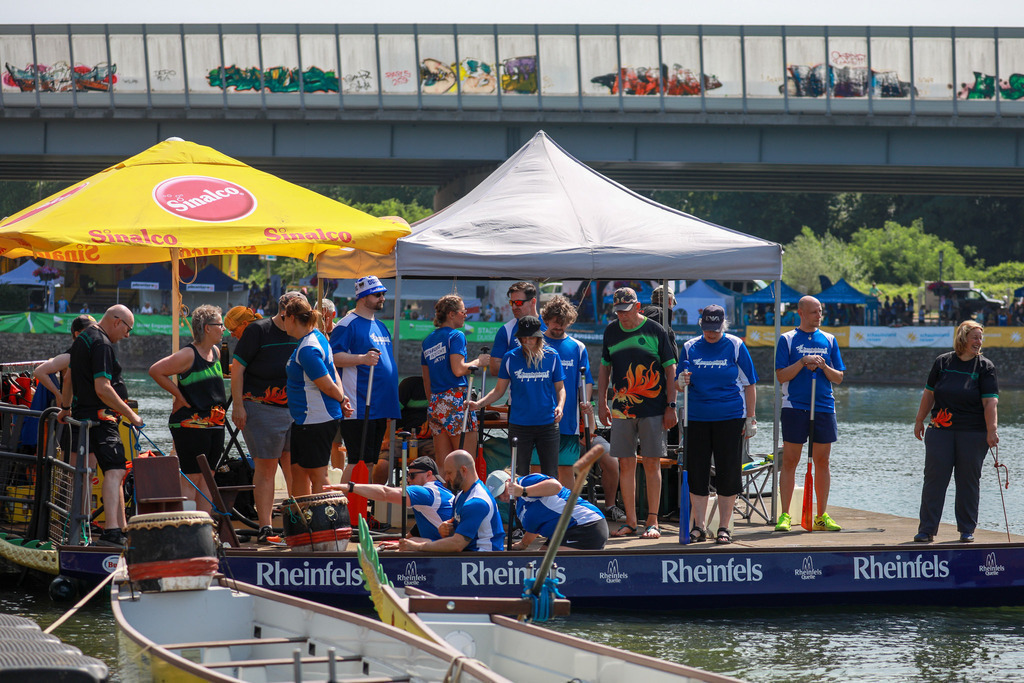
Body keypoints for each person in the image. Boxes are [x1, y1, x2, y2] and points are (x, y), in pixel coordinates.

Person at [597, 287, 678, 541]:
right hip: (622, 409)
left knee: (653, 463)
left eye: (626, 309)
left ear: (638, 306)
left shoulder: (656, 330)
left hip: (654, 409)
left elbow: (671, 370)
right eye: (618, 310)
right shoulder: (611, 331)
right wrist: (601, 402)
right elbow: (604, 369)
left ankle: (652, 521)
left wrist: (671, 406)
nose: (622, 315)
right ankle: (631, 522)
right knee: (626, 463)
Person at [58, 304, 143, 547]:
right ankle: (112, 531)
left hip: (84, 417)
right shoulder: (102, 343)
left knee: (109, 471)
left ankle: (118, 527)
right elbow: (103, 388)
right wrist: (131, 416)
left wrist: (65, 407)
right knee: (116, 470)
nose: (128, 335)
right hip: (101, 418)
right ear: (117, 322)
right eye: (128, 329)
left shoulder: (83, 338)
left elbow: (68, 378)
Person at [676, 305, 758, 544]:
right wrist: (680, 381)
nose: (711, 333)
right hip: (697, 418)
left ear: (723, 326)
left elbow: (750, 384)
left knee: (728, 472)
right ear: (701, 325)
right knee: (698, 473)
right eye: (707, 328)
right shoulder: (690, 347)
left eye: (715, 329)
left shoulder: (735, 345)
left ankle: (724, 527)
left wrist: (751, 418)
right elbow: (678, 384)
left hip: (730, 417)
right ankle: (699, 526)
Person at [912, 321, 998, 543]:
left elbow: (990, 403)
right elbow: (929, 394)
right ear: (963, 339)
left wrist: (992, 431)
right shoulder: (943, 362)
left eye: (981, 338)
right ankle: (927, 529)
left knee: (968, 481)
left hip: (973, 433)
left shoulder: (985, 367)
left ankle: (966, 529)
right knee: (934, 480)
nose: (979, 342)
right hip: (940, 430)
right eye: (975, 338)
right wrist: (919, 419)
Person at [231, 291, 303, 544]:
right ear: (285, 312)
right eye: (298, 316)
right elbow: (237, 369)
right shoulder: (258, 331)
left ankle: (296, 524)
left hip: (296, 409)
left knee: (295, 466)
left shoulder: (303, 331)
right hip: (262, 408)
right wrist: (238, 406)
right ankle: (266, 527)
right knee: (267, 467)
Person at [775, 295, 846, 532]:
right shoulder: (787, 339)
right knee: (790, 461)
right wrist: (803, 361)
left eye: (821, 311)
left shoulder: (829, 339)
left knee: (822, 461)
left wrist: (824, 366)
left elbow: (839, 378)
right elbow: (782, 376)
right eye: (815, 311)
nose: (819, 315)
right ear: (801, 312)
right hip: (795, 406)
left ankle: (821, 515)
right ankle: (785, 514)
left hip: (824, 406)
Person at [147, 305, 227, 513]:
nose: (223, 328)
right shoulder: (188, 354)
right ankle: (186, 525)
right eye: (220, 324)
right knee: (192, 476)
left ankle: (204, 526)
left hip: (215, 424)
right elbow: (156, 371)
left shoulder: (216, 352)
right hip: (190, 424)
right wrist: (179, 396)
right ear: (207, 328)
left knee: (209, 476)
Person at [540, 295, 618, 501]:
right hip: (539, 418)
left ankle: (568, 513)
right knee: (538, 468)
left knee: (566, 467)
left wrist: (588, 405)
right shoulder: (536, 343)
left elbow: (586, 382)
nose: (559, 328)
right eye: (555, 323)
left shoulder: (578, 347)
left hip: (569, 420)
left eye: (563, 324)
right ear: (546, 320)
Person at [469, 315, 565, 478]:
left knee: (551, 473)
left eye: (531, 338)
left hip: (547, 424)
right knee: (519, 473)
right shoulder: (510, 358)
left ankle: (549, 503)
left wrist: (560, 406)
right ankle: (519, 504)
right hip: (519, 425)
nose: (526, 341)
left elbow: (560, 388)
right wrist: (478, 404)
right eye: (523, 337)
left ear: (538, 338)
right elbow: (498, 391)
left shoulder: (552, 356)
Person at [331, 276, 401, 486]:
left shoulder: (380, 325)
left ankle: (361, 509)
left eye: (383, 294)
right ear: (362, 297)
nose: (382, 298)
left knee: (370, 461)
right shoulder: (347, 324)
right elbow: (332, 357)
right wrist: (361, 359)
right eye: (377, 294)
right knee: (356, 460)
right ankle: (344, 506)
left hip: (381, 404)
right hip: (360, 403)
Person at [282, 296, 353, 496]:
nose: (282, 321)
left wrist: (341, 399)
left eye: (283, 316)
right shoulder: (316, 337)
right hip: (305, 419)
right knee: (298, 470)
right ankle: (301, 518)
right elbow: (334, 373)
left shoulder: (308, 349)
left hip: (316, 419)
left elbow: (327, 383)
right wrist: (343, 398)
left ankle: (327, 519)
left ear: (293, 318)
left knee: (318, 474)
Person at [421, 294, 490, 463]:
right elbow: (458, 370)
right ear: (451, 314)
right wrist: (478, 361)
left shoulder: (428, 340)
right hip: (456, 400)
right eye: (463, 311)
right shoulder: (456, 336)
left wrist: (435, 403)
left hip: (436, 403)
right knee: (465, 463)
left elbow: (426, 379)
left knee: (444, 464)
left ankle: (444, 489)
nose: (466, 315)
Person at [330, 455, 454, 545]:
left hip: (448, 546)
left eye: (412, 475)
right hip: (452, 541)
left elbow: (385, 493)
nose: (408, 480)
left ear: (428, 474)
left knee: (414, 543)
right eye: (407, 475)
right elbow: (425, 521)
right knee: (410, 542)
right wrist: (403, 541)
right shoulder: (444, 492)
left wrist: (351, 487)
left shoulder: (426, 492)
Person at [399, 450, 504, 552]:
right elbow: (457, 534)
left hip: (484, 561)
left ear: (463, 470)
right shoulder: (459, 496)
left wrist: (418, 547)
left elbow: (457, 544)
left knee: (417, 544)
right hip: (470, 557)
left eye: (449, 473)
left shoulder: (476, 501)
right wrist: (447, 528)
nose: (446, 478)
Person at [487, 469, 608, 550]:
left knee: (546, 569)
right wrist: (523, 544)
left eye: (503, 490)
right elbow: (535, 527)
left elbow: (556, 486)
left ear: (509, 481)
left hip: (586, 525)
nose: (503, 497)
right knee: (538, 566)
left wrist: (523, 491)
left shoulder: (526, 481)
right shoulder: (519, 506)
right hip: (562, 532)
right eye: (498, 496)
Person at [489, 281, 545, 377]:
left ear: (533, 302)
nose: (514, 307)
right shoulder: (506, 330)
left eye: (518, 303)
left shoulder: (548, 326)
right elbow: (494, 368)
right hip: (518, 391)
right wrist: (524, 374)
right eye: (512, 303)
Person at [33, 314, 96, 398]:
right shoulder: (69, 357)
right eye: (90, 331)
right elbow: (38, 372)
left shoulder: (93, 354)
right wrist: (58, 396)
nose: (95, 334)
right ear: (77, 334)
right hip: (73, 408)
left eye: (95, 330)